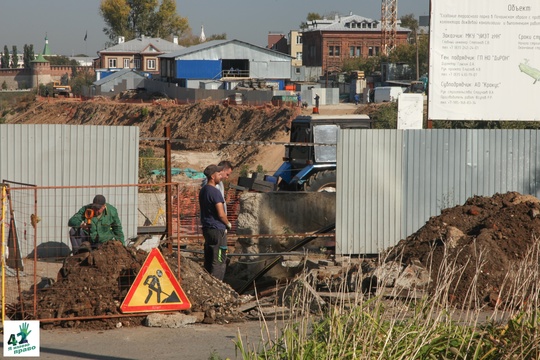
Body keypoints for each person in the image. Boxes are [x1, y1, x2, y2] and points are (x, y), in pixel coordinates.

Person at [199, 164, 231, 280]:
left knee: (209, 257)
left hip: (207, 229)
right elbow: (221, 214)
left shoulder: (203, 190)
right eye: (218, 174)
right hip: (218, 230)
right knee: (219, 259)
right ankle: (218, 285)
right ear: (213, 176)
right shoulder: (215, 192)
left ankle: (208, 284)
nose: (220, 176)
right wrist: (228, 224)